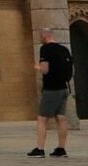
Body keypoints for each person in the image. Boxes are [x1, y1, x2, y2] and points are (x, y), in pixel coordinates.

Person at [29, 29, 71, 158]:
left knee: (42, 119)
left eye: (41, 37)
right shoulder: (64, 49)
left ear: (45, 36)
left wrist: (37, 67)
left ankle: (40, 149)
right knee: (61, 117)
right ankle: (61, 149)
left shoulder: (45, 49)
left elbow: (45, 70)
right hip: (64, 88)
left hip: (51, 89)